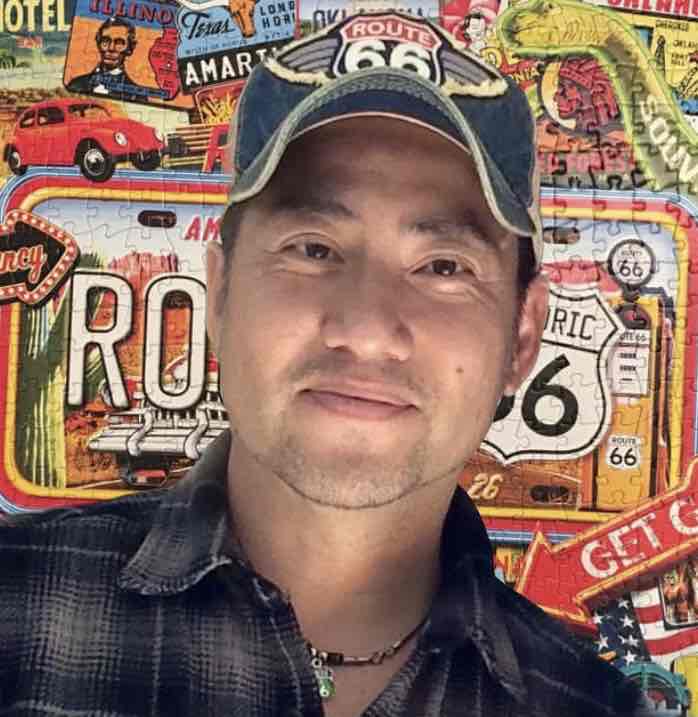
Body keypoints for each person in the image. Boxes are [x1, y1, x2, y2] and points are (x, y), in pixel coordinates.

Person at [0, 11, 643, 717]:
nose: (364, 330)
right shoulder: (16, 609)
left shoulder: (593, 706)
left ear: (521, 338)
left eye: (443, 266)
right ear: (220, 293)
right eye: (312, 248)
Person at [66, 17, 142, 102]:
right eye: (105, 41)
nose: (111, 48)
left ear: (129, 49)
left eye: (119, 42)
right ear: (99, 44)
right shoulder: (76, 84)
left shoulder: (136, 95)